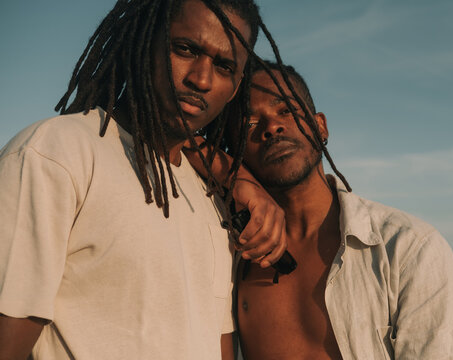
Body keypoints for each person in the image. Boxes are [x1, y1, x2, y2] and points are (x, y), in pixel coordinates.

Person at [0, 1, 288, 359]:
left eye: (224, 66)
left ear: (234, 87)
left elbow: (216, 343)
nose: (201, 78)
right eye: (185, 49)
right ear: (144, 40)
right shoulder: (55, 154)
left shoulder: (210, 199)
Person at [231, 61, 453, 359]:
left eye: (286, 110)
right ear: (233, 149)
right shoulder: (235, 254)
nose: (271, 127)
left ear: (320, 126)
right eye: (249, 123)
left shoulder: (408, 247)